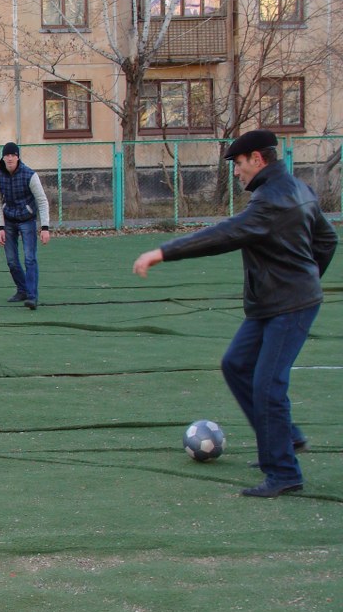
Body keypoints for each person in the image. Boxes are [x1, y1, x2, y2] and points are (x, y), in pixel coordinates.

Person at [133, 129, 337, 498]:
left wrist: (163, 252)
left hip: (289, 305)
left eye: (239, 164)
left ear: (257, 159)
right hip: (271, 304)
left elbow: (224, 234)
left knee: (268, 385)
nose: (236, 171)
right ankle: (284, 438)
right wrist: (307, 276)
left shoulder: (270, 201)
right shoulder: (298, 188)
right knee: (236, 364)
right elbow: (328, 240)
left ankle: (284, 472)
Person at [0, 142, 51, 309]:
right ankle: (22, 289)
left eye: (13, 155)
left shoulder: (29, 175)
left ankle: (32, 296)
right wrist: (0, 227)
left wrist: (45, 228)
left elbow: (42, 201)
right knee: (11, 260)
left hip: (27, 219)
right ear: (3, 158)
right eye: (7, 155)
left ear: (18, 157)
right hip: (9, 220)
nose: (10, 158)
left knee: (30, 258)